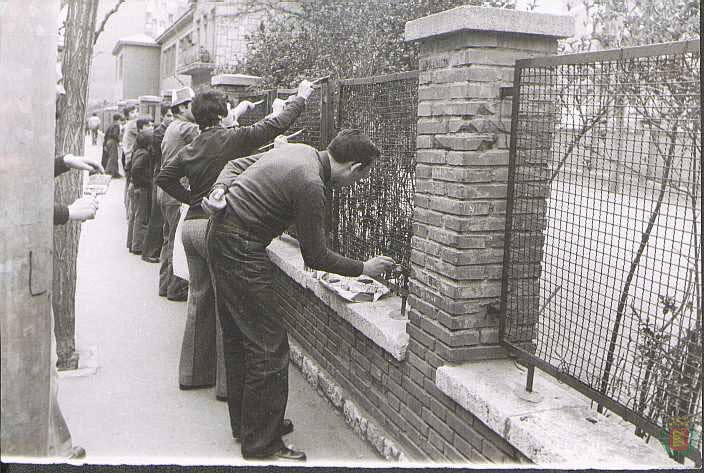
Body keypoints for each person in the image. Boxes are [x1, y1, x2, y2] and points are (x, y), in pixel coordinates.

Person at [203, 129, 396, 461]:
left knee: (239, 337)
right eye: (363, 175)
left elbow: (234, 164)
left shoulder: (300, 151)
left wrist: (219, 189)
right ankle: (262, 443)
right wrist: (364, 267)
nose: (359, 182)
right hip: (240, 248)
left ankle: (249, 425)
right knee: (269, 346)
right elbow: (315, 257)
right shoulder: (311, 184)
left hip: (220, 235)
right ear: (353, 167)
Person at [156, 81, 311, 397]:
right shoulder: (234, 138)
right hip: (216, 228)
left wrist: (192, 200)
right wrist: (302, 98)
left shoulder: (191, 147)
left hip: (191, 228)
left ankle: (193, 375)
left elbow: (163, 178)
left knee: (199, 298)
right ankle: (228, 388)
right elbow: (276, 123)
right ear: (223, 113)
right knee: (229, 308)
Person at [158, 87, 196, 301]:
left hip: (165, 193)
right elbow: (217, 136)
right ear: (182, 107)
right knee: (174, 241)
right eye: (192, 105)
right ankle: (175, 288)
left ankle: (165, 285)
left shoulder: (173, 126)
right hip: (176, 193)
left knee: (167, 240)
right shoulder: (186, 127)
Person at [140, 105, 174, 263]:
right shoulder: (160, 133)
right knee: (156, 216)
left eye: (172, 116)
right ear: (163, 116)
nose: (171, 118)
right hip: (159, 174)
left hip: (160, 174)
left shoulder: (164, 131)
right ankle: (149, 252)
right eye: (168, 116)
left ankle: (153, 250)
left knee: (158, 216)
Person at [126, 118, 154, 253]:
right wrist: (144, 183)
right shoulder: (144, 154)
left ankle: (131, 243)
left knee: (134, 216)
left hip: (134, 186)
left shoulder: (137, 151)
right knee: (140, 217)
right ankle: (137, 246)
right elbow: (135, 170)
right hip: (140, 188)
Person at [121, 105, 138, 218]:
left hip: (126, 156)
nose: (136, 114)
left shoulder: (128, 124)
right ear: (128, 115)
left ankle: (127, 209)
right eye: (133, 112)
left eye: (136, 111)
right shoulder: (132, 124)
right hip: (130, 157)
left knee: (127, 184)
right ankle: (129, 212)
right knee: (131, 186)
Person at [102, 113, 123, 178]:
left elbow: (105, 136)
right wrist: (119, 141)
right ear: (119, 119)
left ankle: (115, 173)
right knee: (113, 158)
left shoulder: (111, 125)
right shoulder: (116, 125)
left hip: (108, 142)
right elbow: (115, 135)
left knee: (113, 157)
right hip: (112, 142)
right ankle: (107, 172)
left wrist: (104, 145)